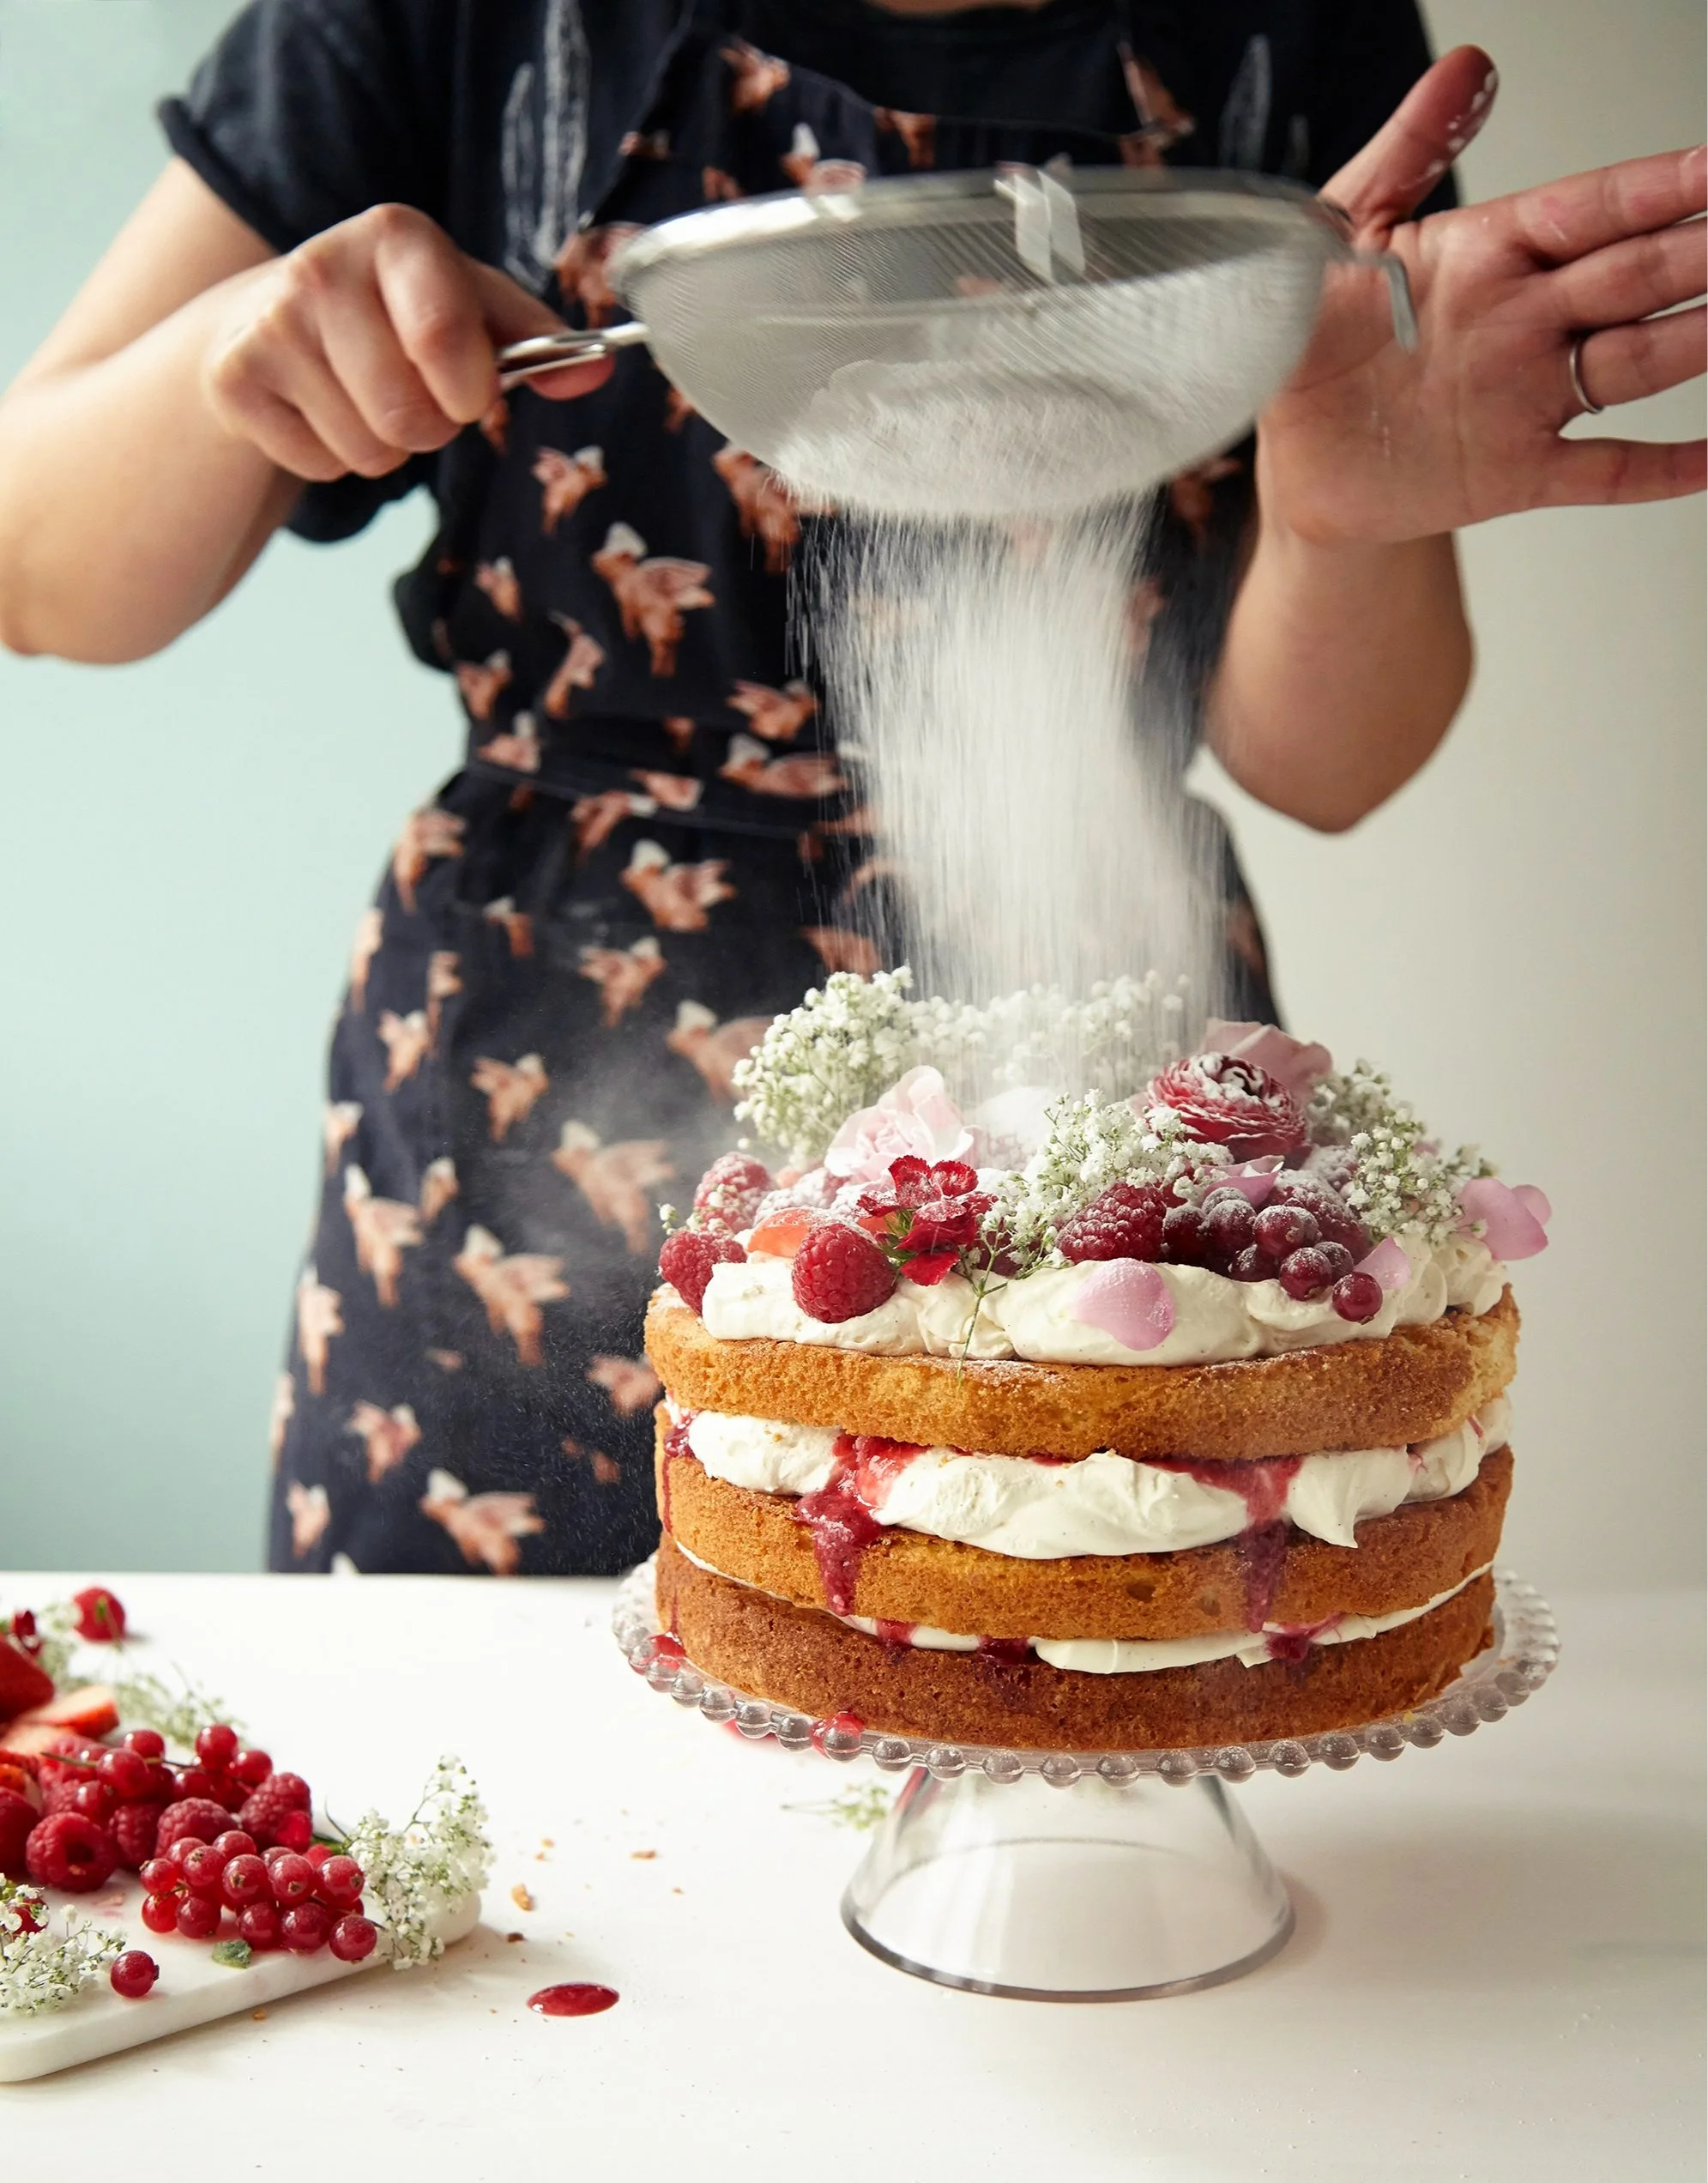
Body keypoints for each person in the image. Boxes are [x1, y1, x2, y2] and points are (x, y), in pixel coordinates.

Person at [0, 3, 1699, 1578]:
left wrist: (1346, 510)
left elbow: (1326, 763)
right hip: (526, 1116)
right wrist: (241, 340)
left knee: (1069, 1725)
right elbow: (40, 569)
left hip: (1091, 1056)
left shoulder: (1277, 32)